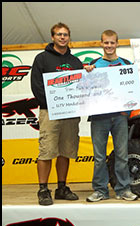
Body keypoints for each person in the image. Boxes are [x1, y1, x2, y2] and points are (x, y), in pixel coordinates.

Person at [31, 22, 83, 206]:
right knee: (46, 151)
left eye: (66, 34)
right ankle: (43, 189)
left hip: (70, 113)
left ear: (69, 37)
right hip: (49, 112)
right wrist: (54, 104)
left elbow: (81, 87)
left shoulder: (76, 62)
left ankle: (62, 188)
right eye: (59, 34)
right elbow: (36, 87)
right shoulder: (42, 59)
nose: (62, 37)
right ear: (52, 37)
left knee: (65, 151)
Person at [85, 30, 138, 202]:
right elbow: (84, 89)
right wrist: (86, 73)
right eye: (106, 43)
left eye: (112, 43)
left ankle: (123, 189)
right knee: (99, 157)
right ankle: (100, 190)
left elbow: (131, 90)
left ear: (117, 44)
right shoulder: (93, 65)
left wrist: (127, 112)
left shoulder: (126, 64)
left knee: (122, 156)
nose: (109, 46)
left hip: (120, 117)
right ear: (101, 43)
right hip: (99, 117)